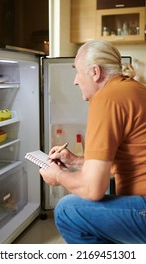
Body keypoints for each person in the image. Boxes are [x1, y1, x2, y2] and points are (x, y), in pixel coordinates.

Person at [39, 40, 146, 244]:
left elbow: (93, 189)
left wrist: (58, 175)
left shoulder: (106, 99)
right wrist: (75, 161)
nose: (75, 81)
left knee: (67, 210)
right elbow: (126, 164)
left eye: (77, 72)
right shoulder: (136, 90)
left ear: (95, 72)